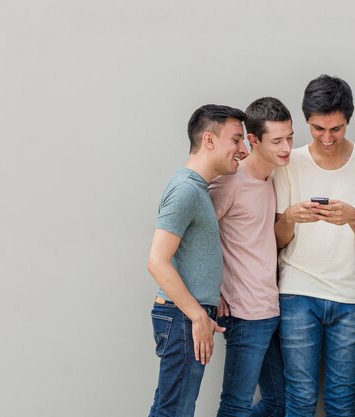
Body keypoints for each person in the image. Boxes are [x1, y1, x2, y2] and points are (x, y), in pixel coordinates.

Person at [273, 75, 355, 417]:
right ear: (306, 121)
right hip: (297, 293)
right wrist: (291, 217)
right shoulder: (289, 162)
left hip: (350, 298)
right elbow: (278, 240)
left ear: (348, 120)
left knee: (341, 401)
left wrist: (354, 218)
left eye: (336, 129)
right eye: (317, 129)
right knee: (300, 397)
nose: (327, 138)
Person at [146, 104, 248, 417]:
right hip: (183, 317)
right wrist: (198, 317)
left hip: (187, 315)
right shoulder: (186, 190)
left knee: (175, 409)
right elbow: (157, 261)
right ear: (209, 140)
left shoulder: (196, 188)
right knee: (173, 411)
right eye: (236, 140)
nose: (243, 150)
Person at [209, 97, 293, 417]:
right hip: (244, 313)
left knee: (277, 403)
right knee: (236, 405)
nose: (286, 147)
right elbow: (196, 236)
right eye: (277, 141)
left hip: (271, 308)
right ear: (253, 140)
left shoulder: (273, 177)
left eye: (289, 137)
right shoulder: (228, 183)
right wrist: (212, 291)